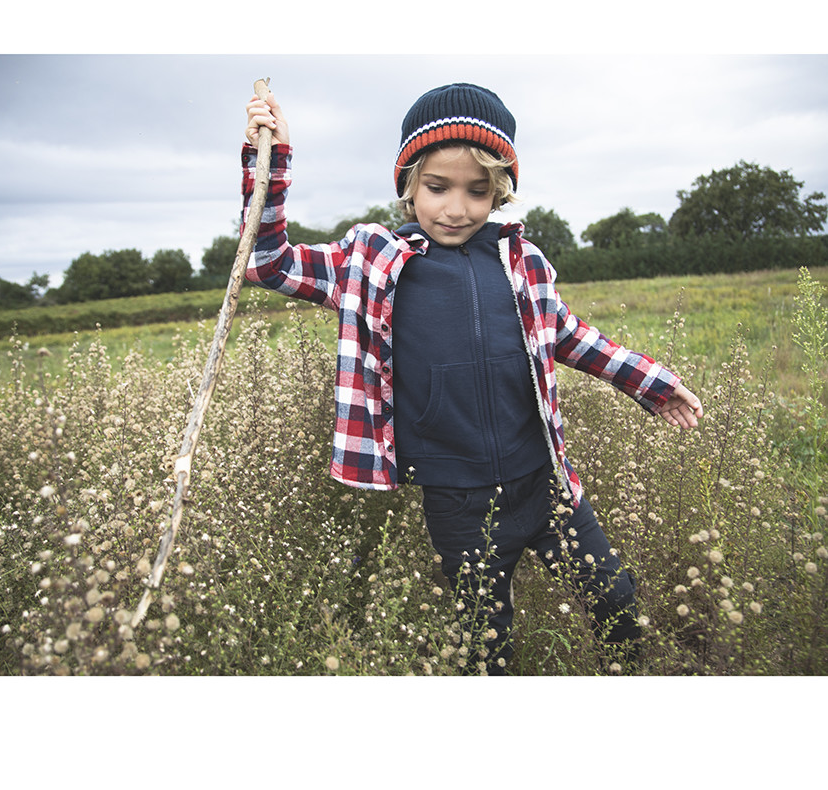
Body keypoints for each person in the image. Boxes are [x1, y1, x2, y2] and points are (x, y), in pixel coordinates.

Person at [240, 82, 703, 674]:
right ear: (409, 184)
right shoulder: (370, 260)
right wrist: (269, 161)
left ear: (499, 192)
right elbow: (266, 261)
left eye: (477, 191)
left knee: (616, 598)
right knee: (486, 641)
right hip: (457, 499)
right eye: (437, 188)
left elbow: (568, 335)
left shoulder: (521, 261)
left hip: (545, 483)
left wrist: (653, 382)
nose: (456, 208)